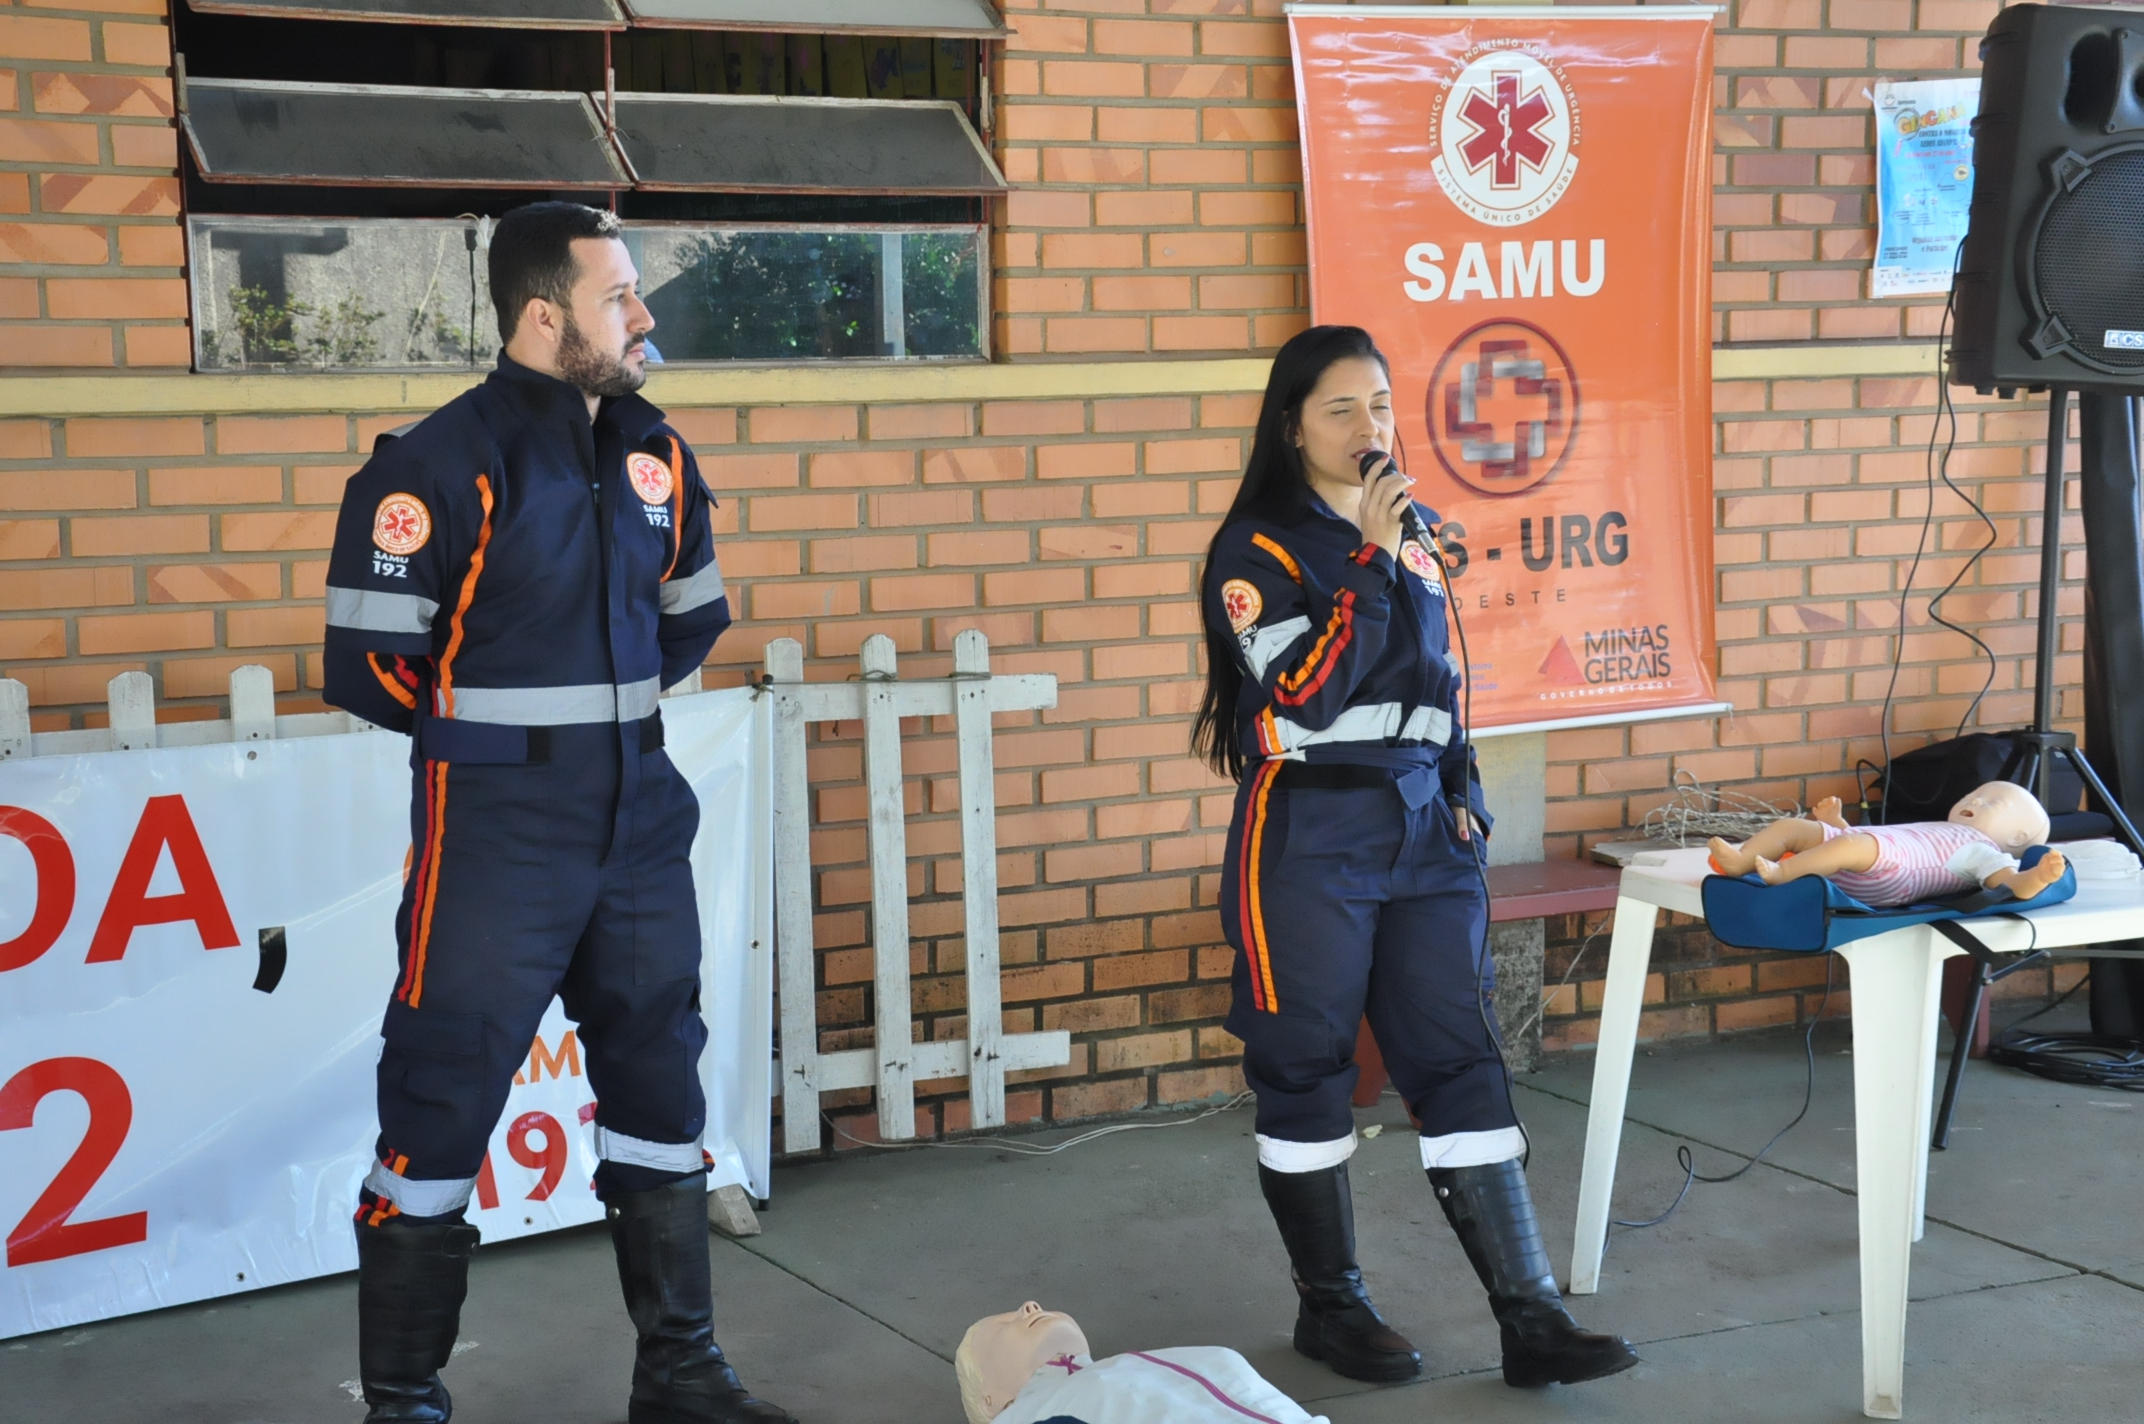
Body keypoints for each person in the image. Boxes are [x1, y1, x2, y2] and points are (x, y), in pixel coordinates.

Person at [321, 202, 793, 1424]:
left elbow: (690, 618)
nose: (643, 317)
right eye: (618, 295)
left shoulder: (658, 454)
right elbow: (369, 665)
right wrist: (507, 744)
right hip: (496, 827)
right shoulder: (431, 465)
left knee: (659, 1077)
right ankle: (404, 1397)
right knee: (440, 1090)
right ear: (544, 316)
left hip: (639, 814)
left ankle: (681, 1374)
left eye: (636, 292)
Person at [1190, 325, 1637, 1390]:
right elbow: (1303, 692)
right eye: (1340, 408)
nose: (1368, 428)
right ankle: (1330, 1308)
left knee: (1457, 1055)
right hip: (1307, 833)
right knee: (1304, 1066)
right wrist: (1373, 566)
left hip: (1423, 833)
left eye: (1381, 405)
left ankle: (1529, 1318)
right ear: (1290, 424)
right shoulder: (1256, 550)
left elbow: (1440, 683)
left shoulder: (1418, 537)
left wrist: (1465, 795)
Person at [954, 1302, 1329, 1424]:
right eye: (1003, 1324)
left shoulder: (1118, 1370)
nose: (1030, 1306)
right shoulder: (1036, 1414)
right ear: (991, 1400)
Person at [1708, 783, 2067, 905]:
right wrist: (1836, 826)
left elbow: (2011, 887)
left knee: (1852, 847)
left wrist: (2038, 876)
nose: (1975, 802)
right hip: (1869, 853)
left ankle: (1781, 873)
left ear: (2019, 837)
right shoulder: (1943, 826)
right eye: (1975, 795)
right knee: (1791, 826)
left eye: (1992, 803)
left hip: (1895, 877)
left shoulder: (1986, 852)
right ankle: (1742, 861)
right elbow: (1876, 843)